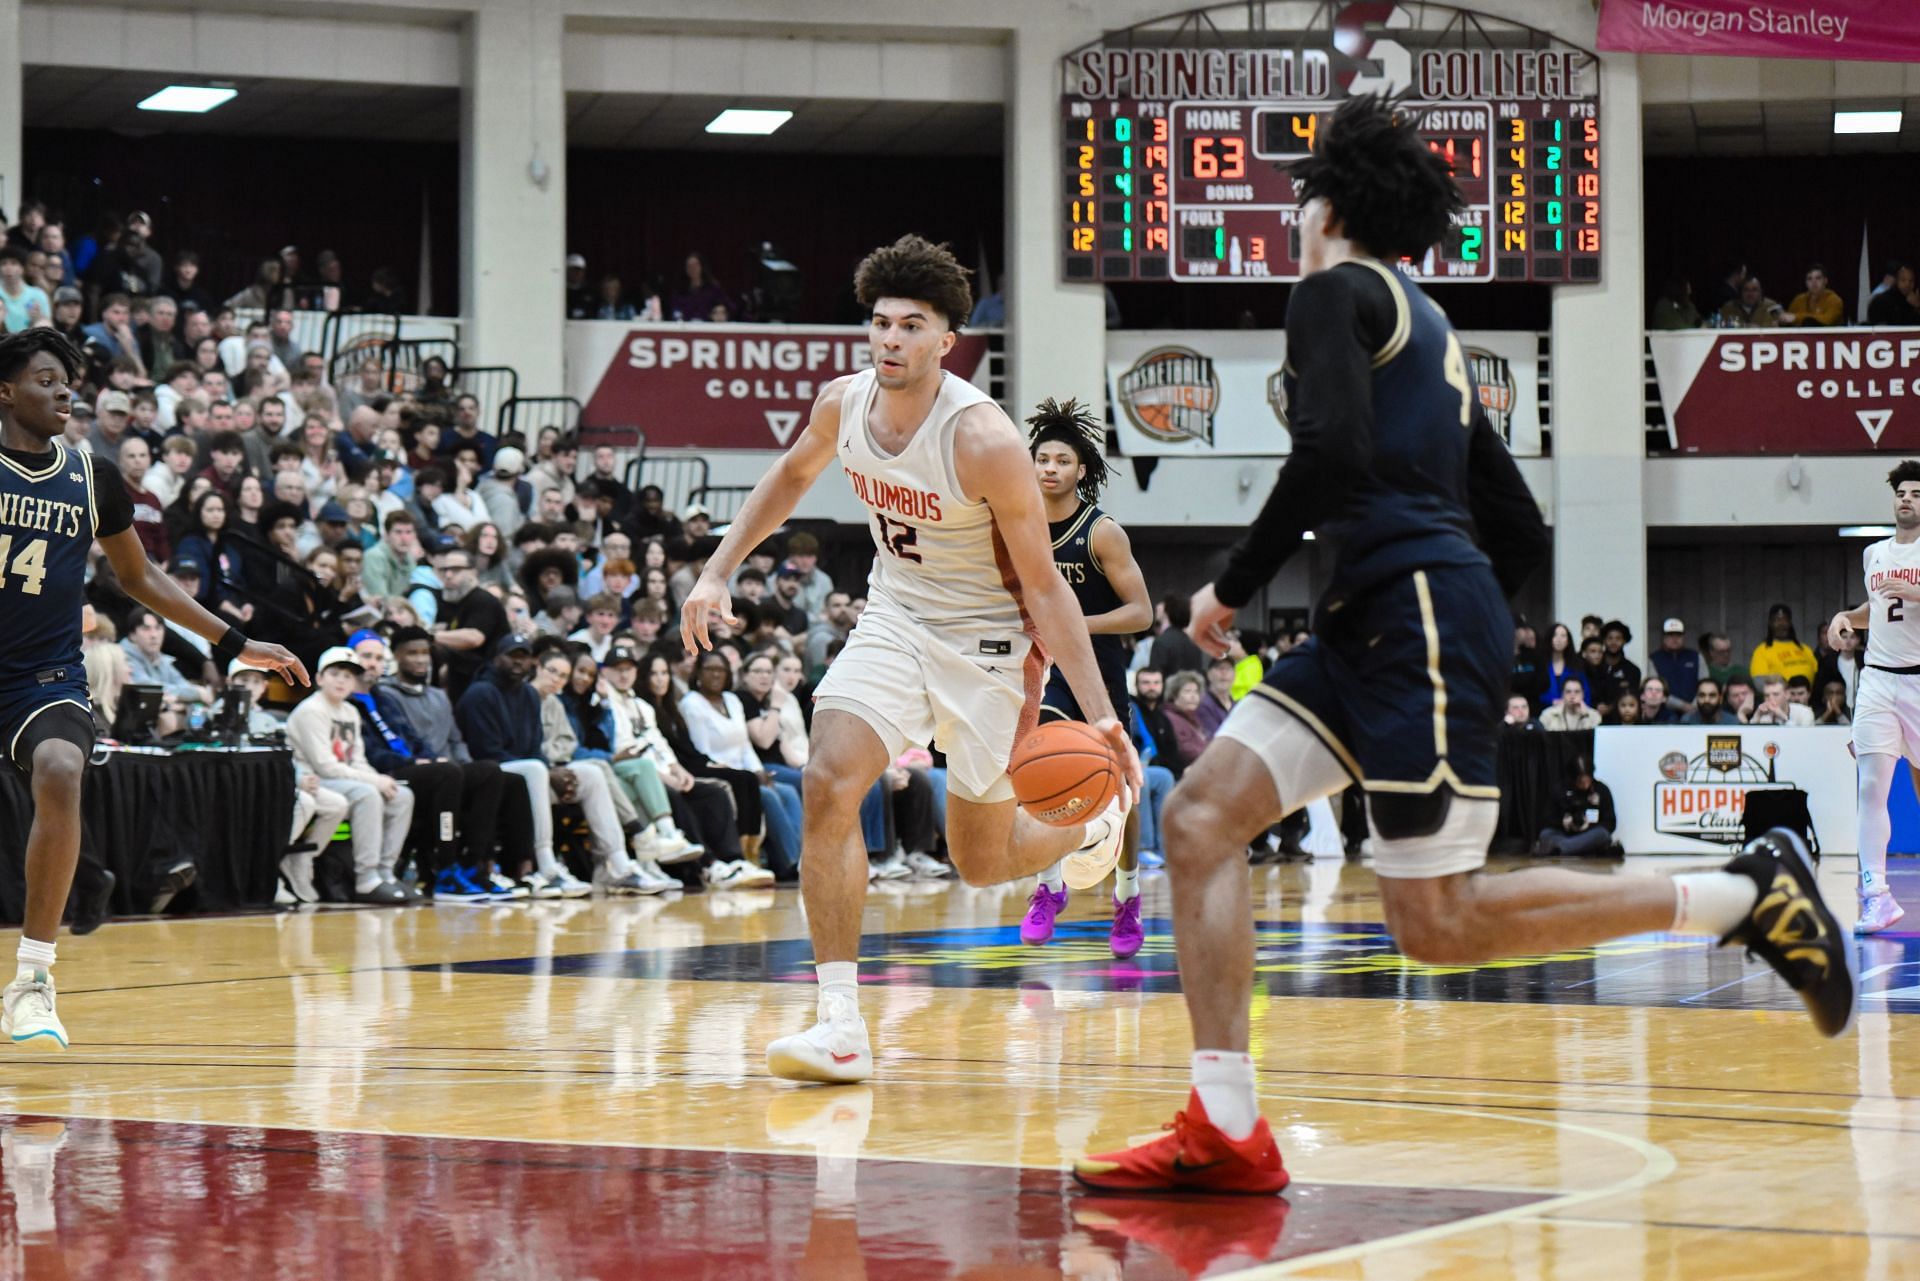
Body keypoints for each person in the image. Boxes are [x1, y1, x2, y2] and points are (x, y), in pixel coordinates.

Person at [1071, 95, 1853, 1199]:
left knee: (1432, 925)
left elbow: (1333, 457)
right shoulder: (1427, 328)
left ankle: (1739, 894)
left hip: (1413, 624)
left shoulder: (1333, 292)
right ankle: (1226, 1124)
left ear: (1329, 204)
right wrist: (1452, 600)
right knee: (1199, 819)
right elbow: (1520, 525)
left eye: (1301, 198)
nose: (1295, 217)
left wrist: (1233, 586)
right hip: (1388, 623)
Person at [678, 234, 1139, 1085]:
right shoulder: (841, 403)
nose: (889, 339)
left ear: (945, 340)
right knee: (827, 781)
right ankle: (841, 1023)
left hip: (991, 644)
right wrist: (717, 569)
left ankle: (1091, 822)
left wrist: (1102, 715)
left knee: (983, 860)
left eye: (910, 325)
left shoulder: (985, 440)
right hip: (894, 618)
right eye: (880, 322)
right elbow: (788, 477)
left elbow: (1045, 588)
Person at [0, 330, 305, 1047]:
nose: (65, 390)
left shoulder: (90, 475)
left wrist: (235, 640)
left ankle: (34, 979)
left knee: (61, 767)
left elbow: (138, 579)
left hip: (41, 677)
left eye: (69, 380)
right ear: (6, 391)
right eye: (46, 379)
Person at [1018, 399, 1154, 958]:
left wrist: (1071, 625)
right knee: (1036, 775)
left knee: (1120, 791)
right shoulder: (1014, 527)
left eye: (1061, 461)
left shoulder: (1101, 533)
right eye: (1041, 459)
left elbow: (1141, 612)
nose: (1049, 468)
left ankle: (1127, 896)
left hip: (1098, 671)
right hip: (1041, 673)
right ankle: (1049, 886)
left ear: (1081, 470)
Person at [1829, 460, 1920, 935]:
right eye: (1902, 492)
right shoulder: (1874, 554)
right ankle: (1876, 895)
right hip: (1878, 680)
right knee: (1871, 787)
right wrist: (1846, 616)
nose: (1907, 499)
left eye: (1917, 494)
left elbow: (1910, 598)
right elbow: (1879, 610)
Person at [453, 634, 592, 898]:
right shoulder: (480, 693)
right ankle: (544, 865)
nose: (518, 663)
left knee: (591, 773)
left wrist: (546, 768)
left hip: (526, 772)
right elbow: (486, 751)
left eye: (524, 657)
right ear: (496, 659)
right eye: (511, 656)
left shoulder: (528, 694)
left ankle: (619, 863)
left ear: (532, 662)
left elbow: (535, 747)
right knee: (536, 770)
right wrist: (544, 769)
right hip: (489, 773)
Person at [286, 647, 418, 905]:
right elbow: (325, 766)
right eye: (335, 673)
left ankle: (385, 872)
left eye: (348, 676)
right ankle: (366, 878)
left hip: (343, 778)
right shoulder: (311, 710)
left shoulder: (350, 712)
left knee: (402, 795)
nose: (342, 680)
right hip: (313, 780)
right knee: (367, 794)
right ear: (320, 678)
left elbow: (357, 760)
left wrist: (381, 780)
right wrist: (374, 782)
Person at [1533, 756, 1618, 858]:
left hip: (1589, 835)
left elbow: (1610, 822)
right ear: (1572, 777)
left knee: (1603, 835)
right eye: (1580, 779)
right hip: (1563, 833)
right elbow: (1547, 818)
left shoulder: (1602, 790)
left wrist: (1588, 826)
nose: (1584, 783)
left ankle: (1560, 850)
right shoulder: (1559, 789)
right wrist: (1564, 822)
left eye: (1587, 778)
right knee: (1545, 834)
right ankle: (1578, 849)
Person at [1750, 604, 1816, 686]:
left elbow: (1817, 674)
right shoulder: (1761, 651)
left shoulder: (1805, 649)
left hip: (1807, 697)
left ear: (1790, 623)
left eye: (1785, 620)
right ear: (1770, 623)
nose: (1781, 624)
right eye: (1777, 620)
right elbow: (1758, 682)